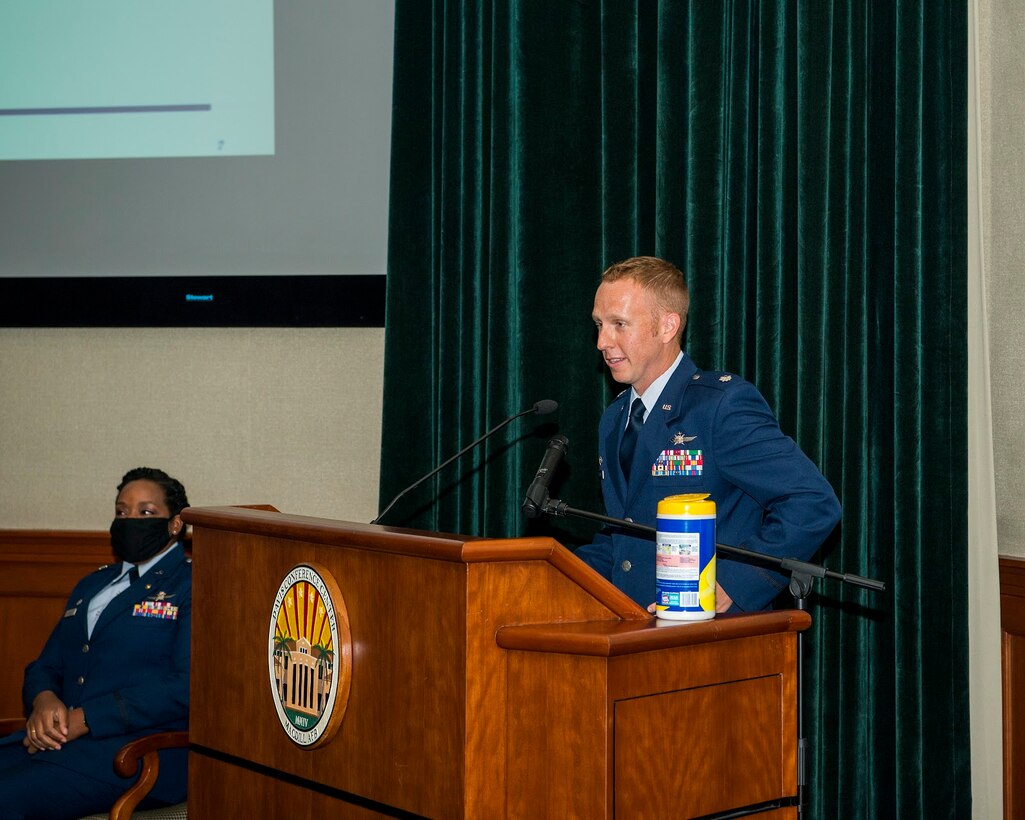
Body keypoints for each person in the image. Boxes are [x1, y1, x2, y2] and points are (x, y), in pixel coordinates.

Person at [574, 257, 841, 612]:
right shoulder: (615, 418)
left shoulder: (720, 406)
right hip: (634, 631)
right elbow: (627, 536)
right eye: (599, 324)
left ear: (668, 326)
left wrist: (734, 582)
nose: (602, 341)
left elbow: (812, 502)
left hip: (710, 636)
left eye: (619, 324)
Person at [0, 467, 191, 819]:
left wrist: (88, 718)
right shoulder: (93, 585)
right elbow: (46, 665)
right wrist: (44, 701)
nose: (130, 520)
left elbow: (186, 686)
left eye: (146, 512)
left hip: (136, 754)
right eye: (122, 511)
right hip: (61, 744)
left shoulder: (191, 585)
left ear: (175, 524)